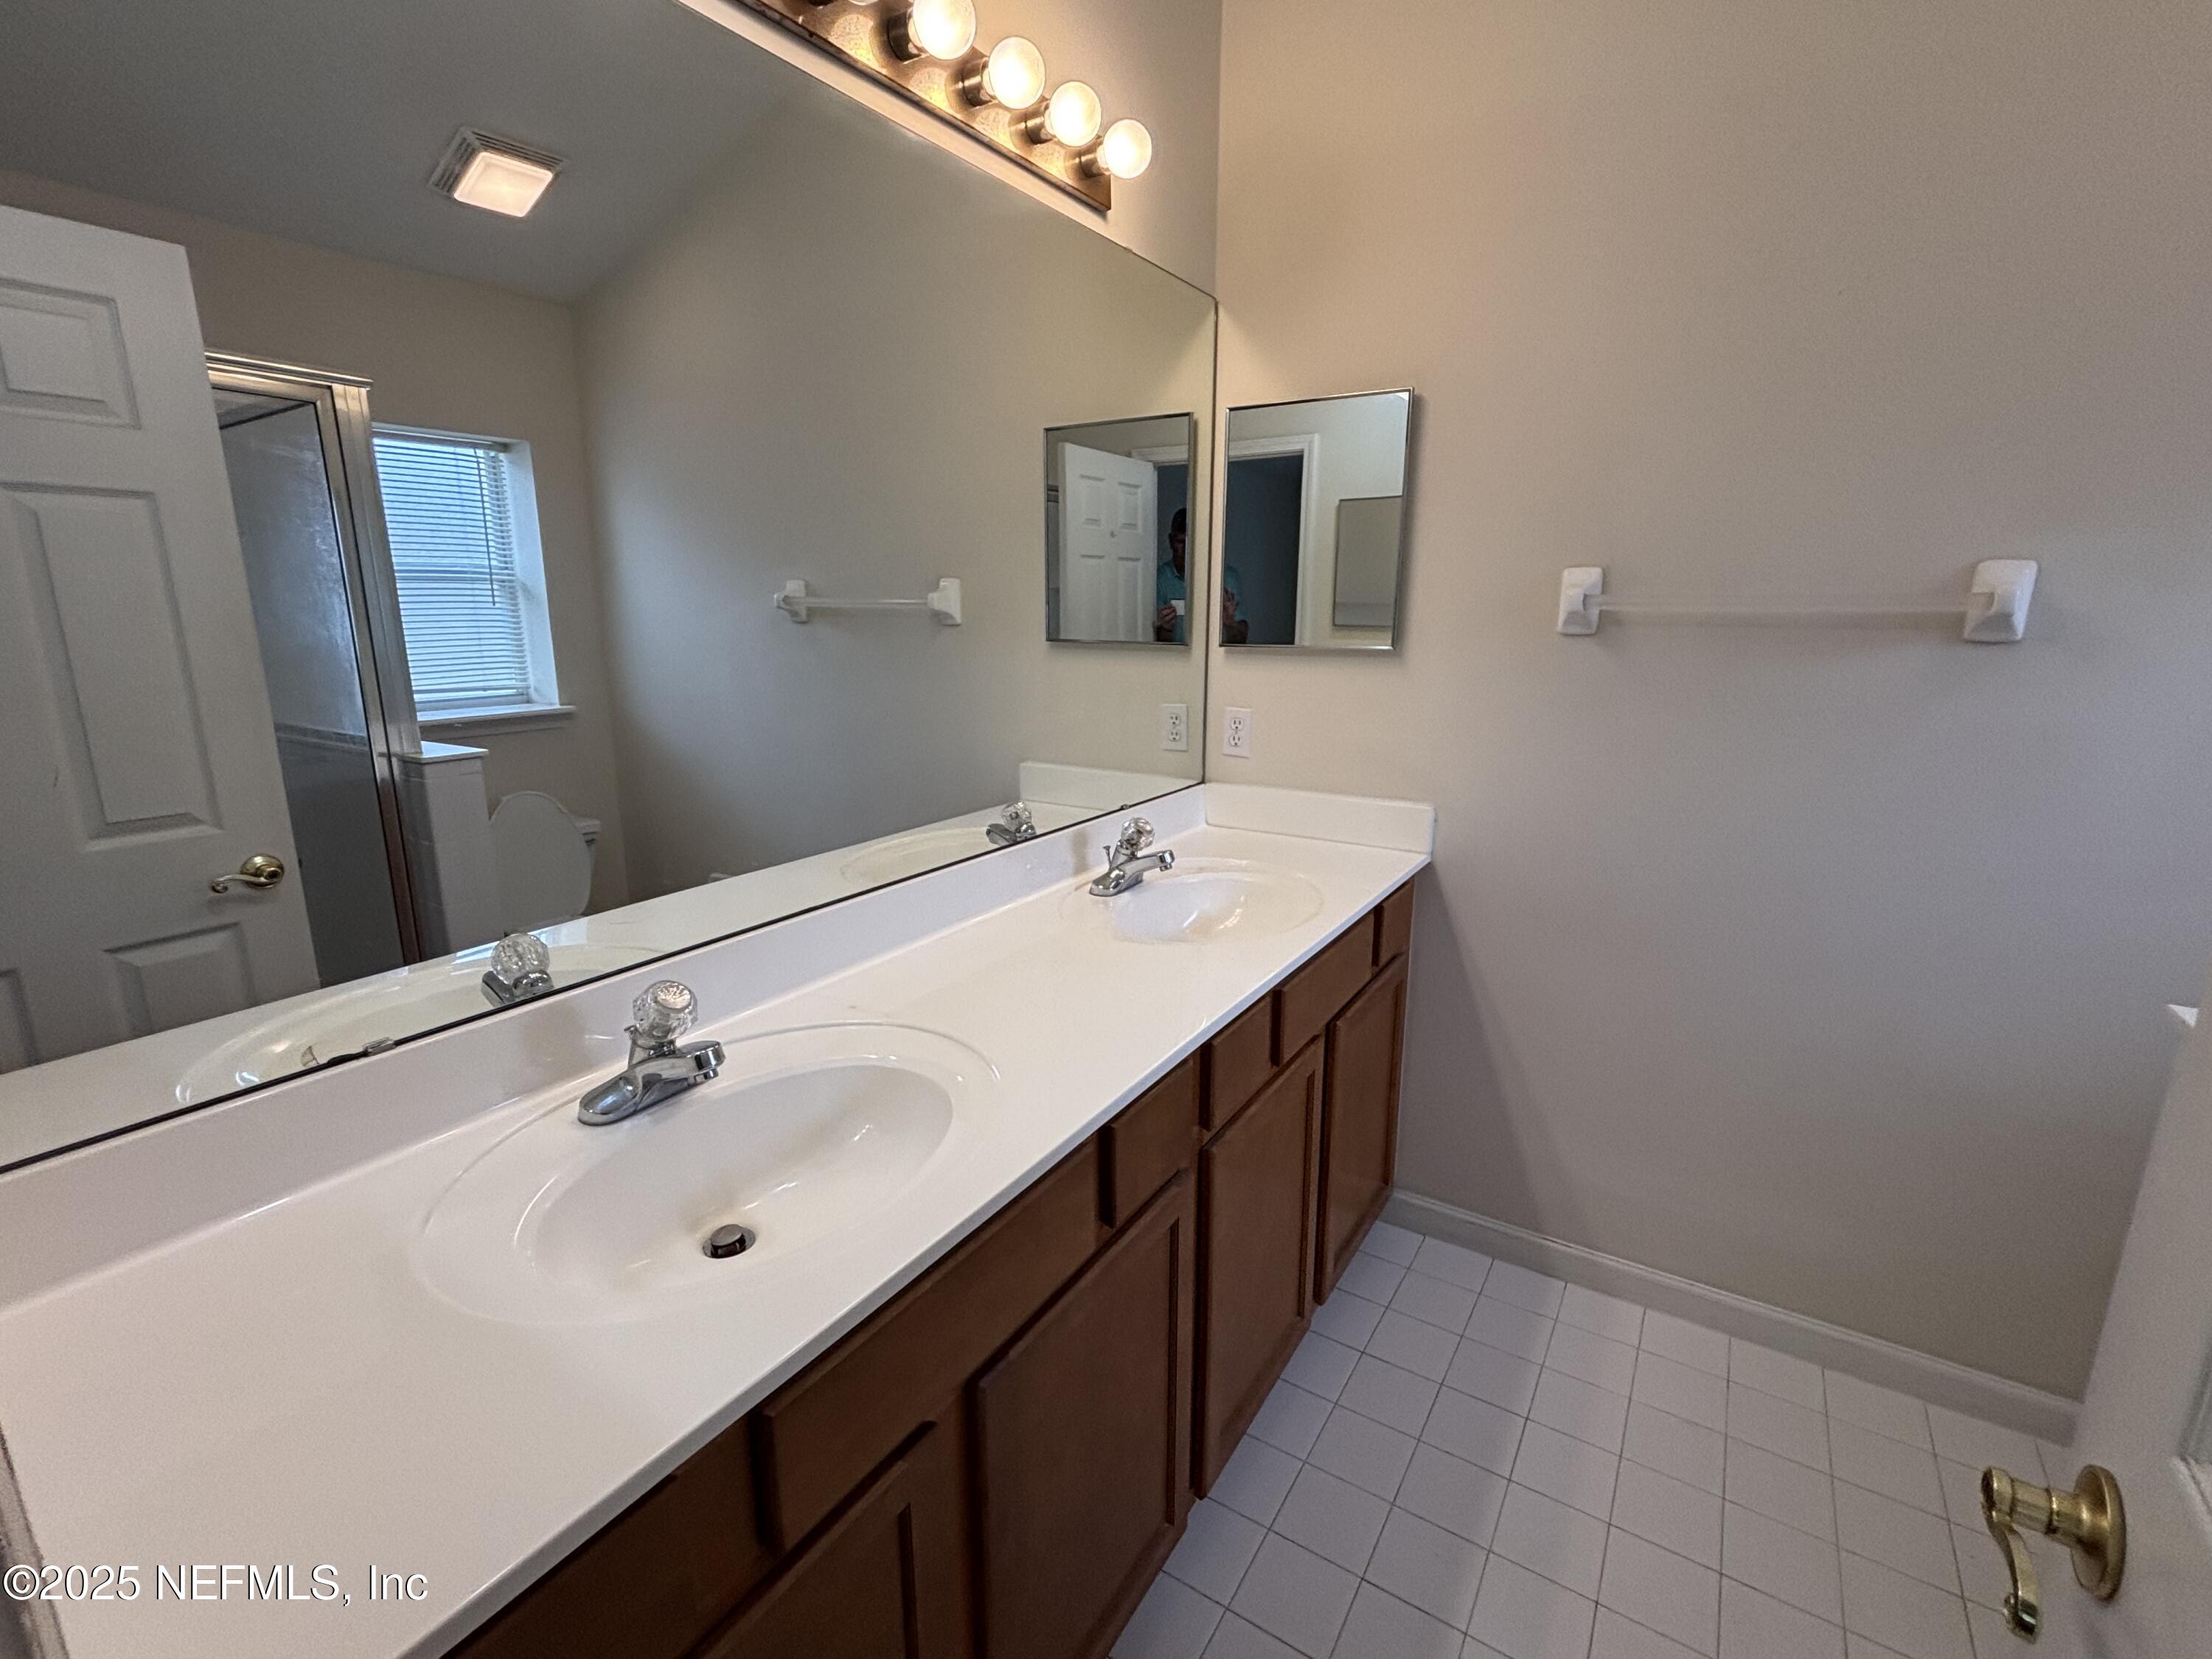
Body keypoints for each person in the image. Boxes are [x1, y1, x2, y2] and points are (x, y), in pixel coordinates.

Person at [1154, 509, 1246, 644]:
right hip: (1173, 662)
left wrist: (1230, 623)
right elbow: (1156, 644)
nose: (1187, 549)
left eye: (1193, 542)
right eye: (1181, 542)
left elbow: (1241, 640)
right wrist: (1166, 629)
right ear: (1170, 541)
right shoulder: (1159, 578)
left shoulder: (1227, 577)